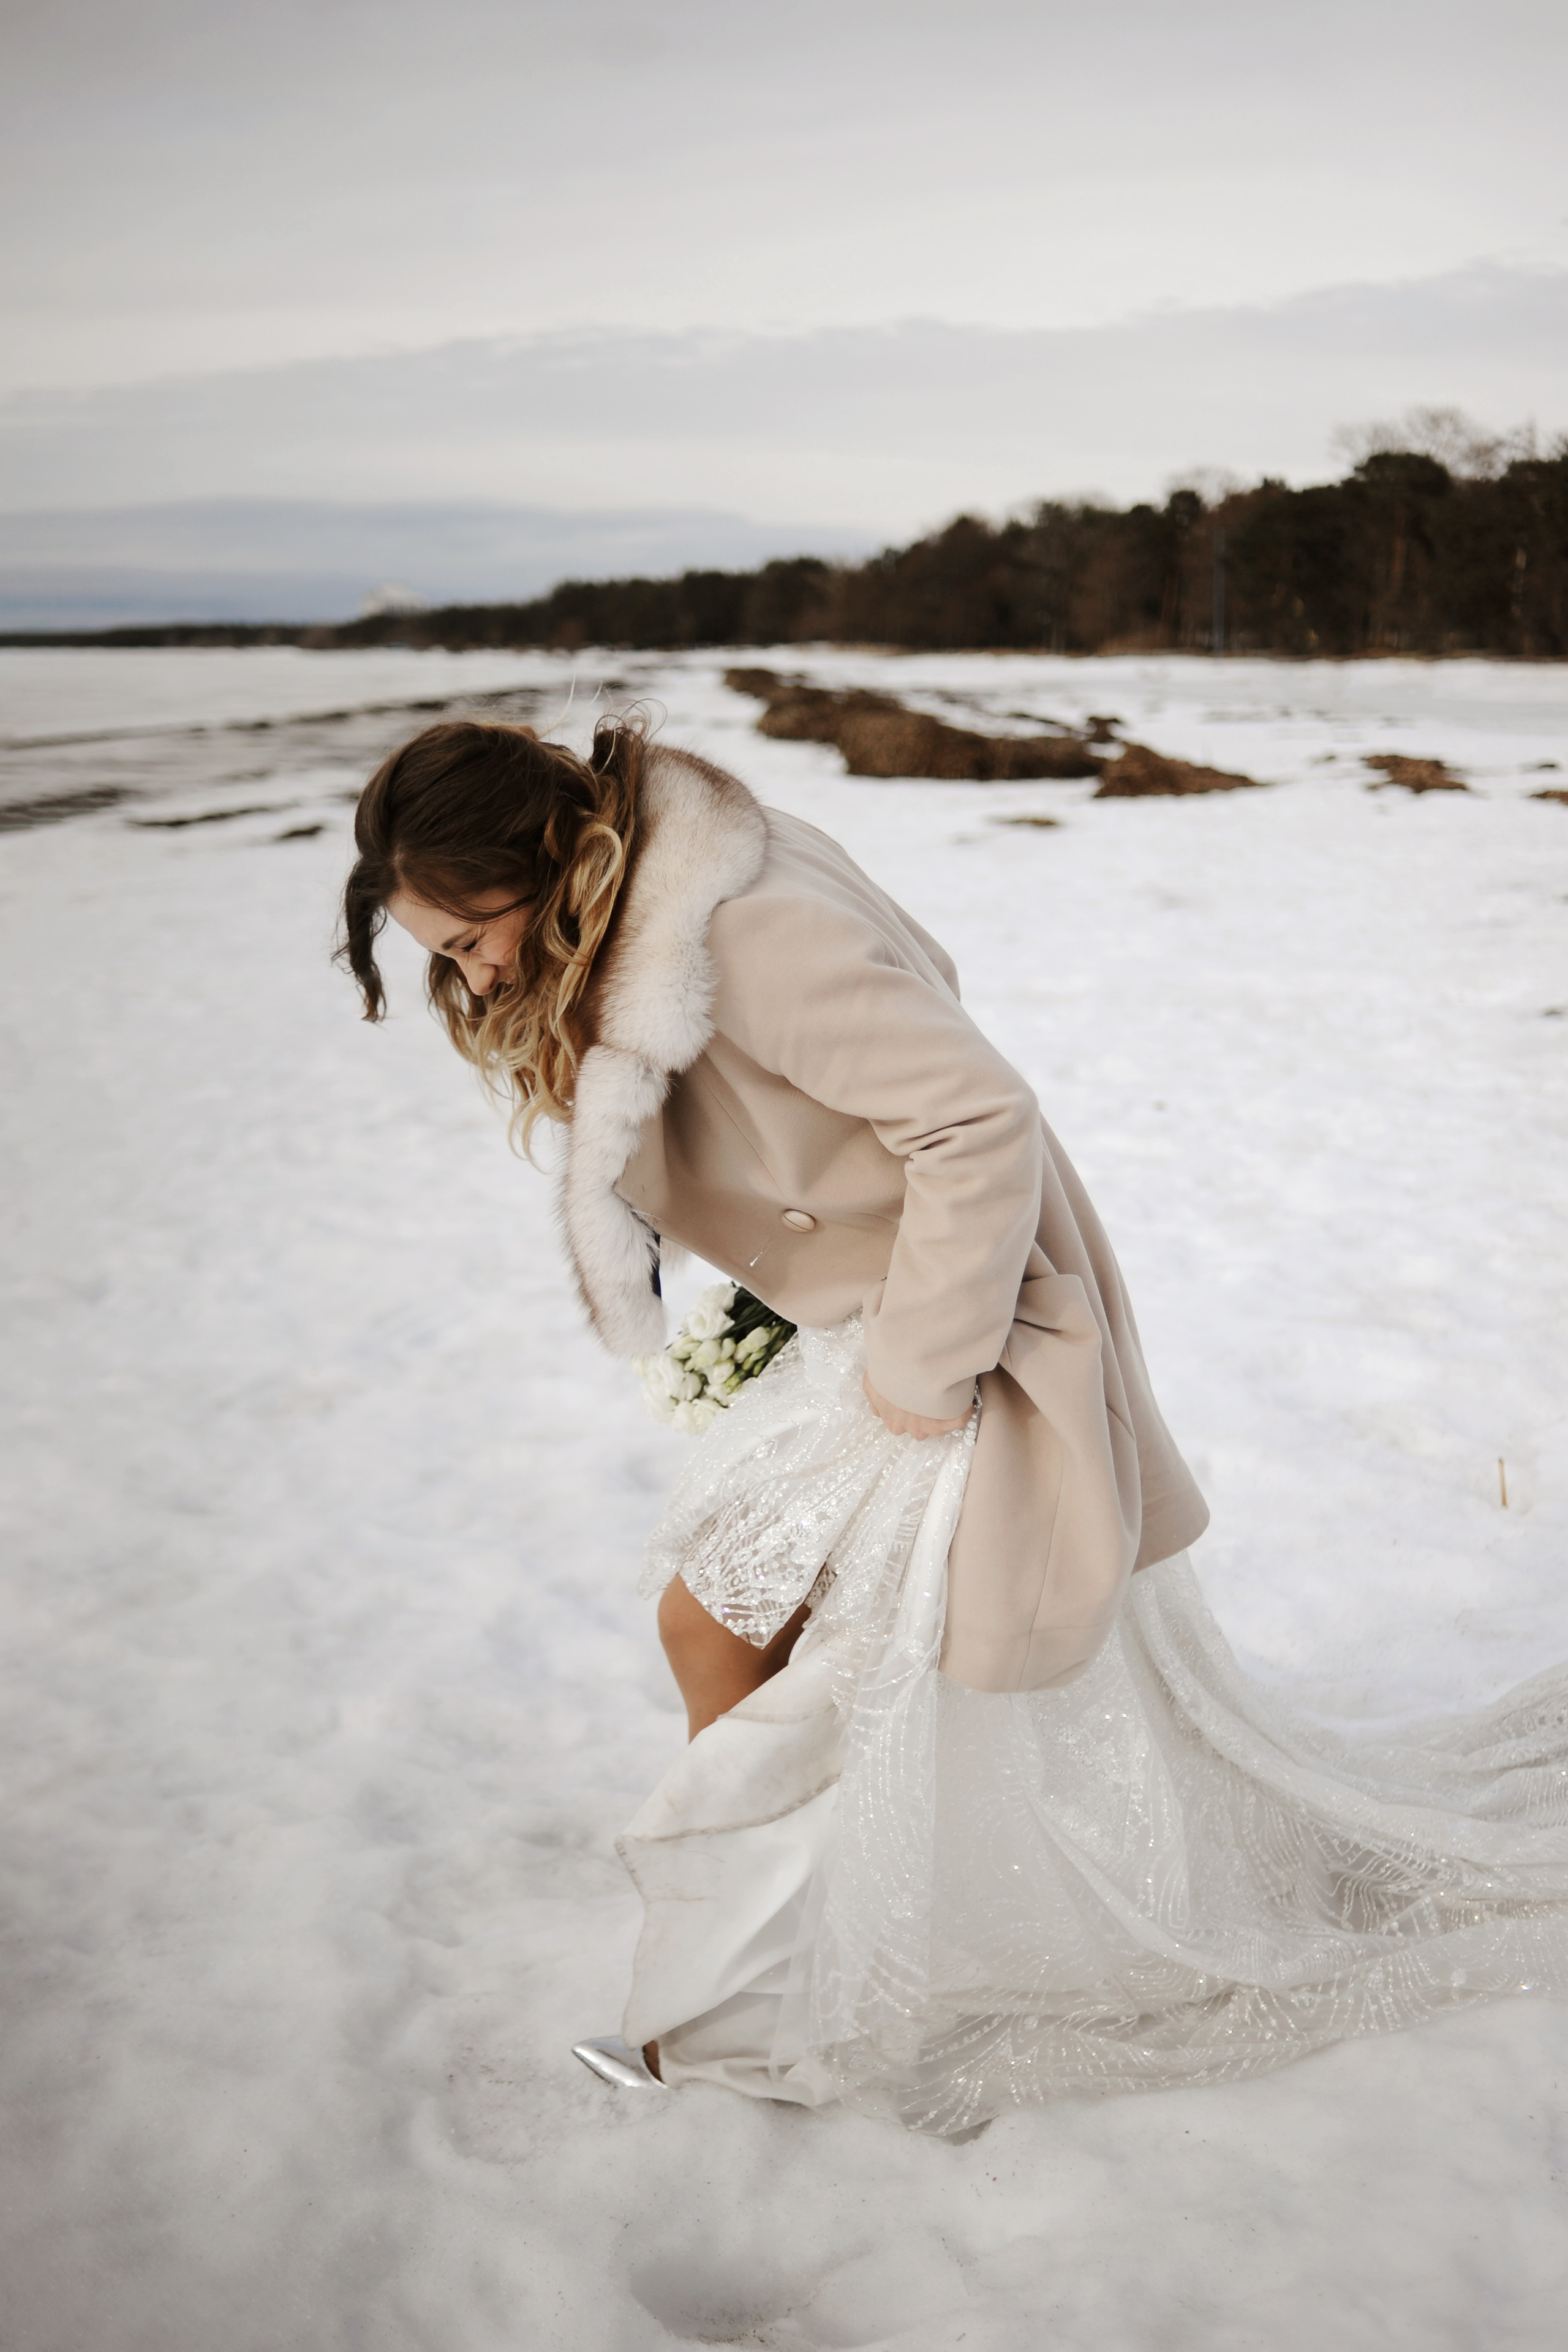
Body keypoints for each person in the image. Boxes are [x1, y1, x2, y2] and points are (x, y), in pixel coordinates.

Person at [340, 711, 1568, 2137]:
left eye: (473, 934)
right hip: (886, 1310)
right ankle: (758, 1976)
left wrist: (915, 1364)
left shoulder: (735, 925)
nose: (475, 974)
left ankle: (738, 2008)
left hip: (952, 1332)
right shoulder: (698, 872)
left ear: (555, 851)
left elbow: (976, 1115)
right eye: (441, 956)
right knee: (788, 1641)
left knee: (730, 1625)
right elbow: (916, 998)